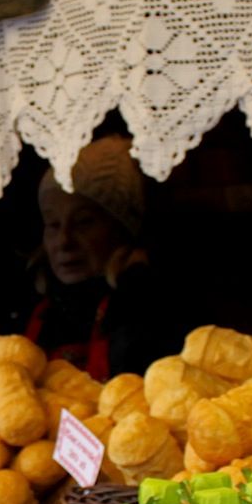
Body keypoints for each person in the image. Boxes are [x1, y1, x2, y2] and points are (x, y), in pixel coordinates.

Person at [23, 136, 177, 378]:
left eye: (84, 222)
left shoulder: (150, 307)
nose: (64, 241)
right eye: (53, 224)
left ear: (121, 229)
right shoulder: (40, 309)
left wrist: (135, 289)